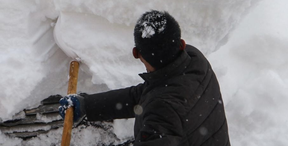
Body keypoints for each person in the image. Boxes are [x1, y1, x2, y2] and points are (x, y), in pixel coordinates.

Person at [59, 10, 230, 145]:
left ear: (137, 54)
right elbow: (145, 96)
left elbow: (159, 104)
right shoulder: (194, 60)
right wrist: (87, 106)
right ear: (181, 43)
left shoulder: (162, 110)